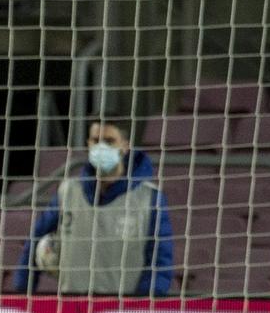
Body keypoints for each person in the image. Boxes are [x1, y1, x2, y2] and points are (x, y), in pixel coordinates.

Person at [13, 120, 175, 297]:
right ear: (88, 144)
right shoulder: (68, 191)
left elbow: (161, 262)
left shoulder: (150, 198)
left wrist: (140, 307)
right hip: (71, 307)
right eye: (95, 140)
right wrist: (22, 293)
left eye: (109, 141)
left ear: (125, 146)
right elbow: (34, 240)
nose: (101, 147)